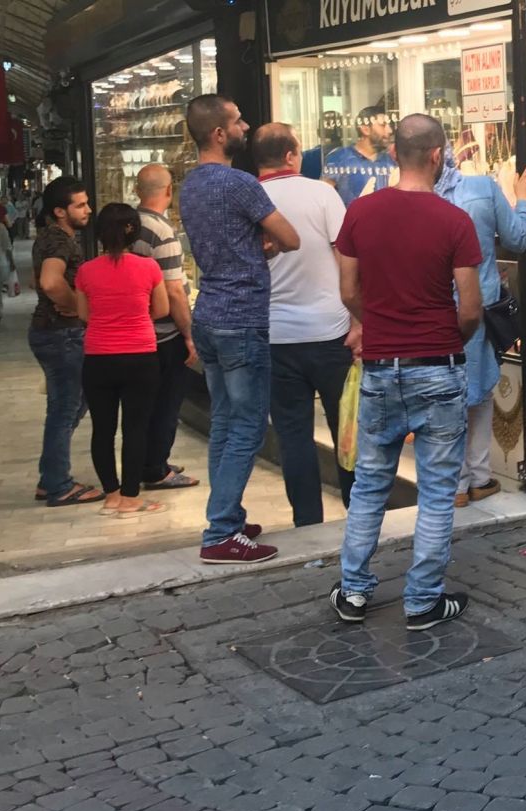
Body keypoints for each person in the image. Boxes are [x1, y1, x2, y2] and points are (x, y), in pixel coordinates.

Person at [329, 113, 481, 630]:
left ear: (394, 153)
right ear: (438, 156)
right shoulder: (454, 220)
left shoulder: (360, 212)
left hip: (379, 367)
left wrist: (377, 325)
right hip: (437, 366)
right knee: (437, 490)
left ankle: (353, 591)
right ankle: (423, 600)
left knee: (370, 484)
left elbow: (348, 290)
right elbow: (471, 308)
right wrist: (445, 342)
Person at [180, 94, 300, 564]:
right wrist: (267, 243)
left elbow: (227, 240)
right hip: (242, 318)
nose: (245, 127)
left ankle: (227, 513)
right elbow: (290, 237)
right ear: (218, 133)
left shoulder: (190, 185)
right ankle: (221, 532)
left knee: (225, 422)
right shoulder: (240, 184)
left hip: (209, 313)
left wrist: (253, 246)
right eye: (237, 121)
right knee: (248, 426)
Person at [252, 122, 358, 527]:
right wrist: (358, 319)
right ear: (291, 155)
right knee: (346, 427)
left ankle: (308, 521)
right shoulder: (322, 194)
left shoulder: (250, 196)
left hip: (276, 335)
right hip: (331, 331)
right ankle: (358, 511)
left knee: (293, 435)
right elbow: (347, 258)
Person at [434, 144, 526, 508]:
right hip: (476, 307)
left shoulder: (411, 200)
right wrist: (522, 198)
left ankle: (456, 482)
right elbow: (518, 239)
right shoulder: (482, 188)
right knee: (478, 390)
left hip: (432, 311)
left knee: (443, 392)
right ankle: (477, 477)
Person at [75, 204, 170, 517]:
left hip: (98, 358)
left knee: (102, 429)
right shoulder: (149, 268)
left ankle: (111, 495)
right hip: (140, 355)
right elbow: (162, 309)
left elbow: (84, 315)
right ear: (134, 232)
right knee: (136, 428)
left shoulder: (86, 271)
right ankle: (131, 497)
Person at [30, 177, 103, 507]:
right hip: (60, 334)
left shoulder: (51, 237)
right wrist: (76, 306)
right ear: (60, 211)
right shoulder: (59, 241)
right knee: (65, 408)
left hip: (56, 332)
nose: (88, 210)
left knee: (72, 402)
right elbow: (49, 281)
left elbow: (39, 280)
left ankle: (51, 477)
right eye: (80, 205)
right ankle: (58, 484)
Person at [132, 163, 200, 492]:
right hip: (165, 332)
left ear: (136, 190)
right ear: (170, 192)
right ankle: (156, 469)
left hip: (140, 329)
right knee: (167, 404)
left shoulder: (131, 224)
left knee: (147, 404)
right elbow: (174, 290)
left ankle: (148, 461)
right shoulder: (161, 231)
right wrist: (188, 334)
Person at [324, 106, 396, 206]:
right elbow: (324, 198)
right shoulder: (338, 159)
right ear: (366, 130)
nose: (389, 130)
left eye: (389, 125)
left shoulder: (391, 161)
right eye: (383, 125)